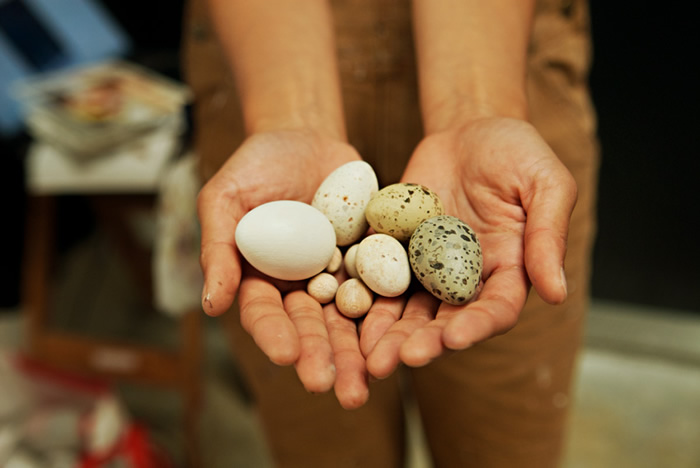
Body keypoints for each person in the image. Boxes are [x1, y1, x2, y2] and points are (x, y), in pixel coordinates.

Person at [184, 0, 599, 466]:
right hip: (268, 55)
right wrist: (291, 117)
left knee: (502, 446)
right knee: (329, 446)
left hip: (496, 47)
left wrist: (476, 109)